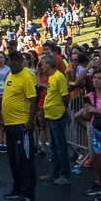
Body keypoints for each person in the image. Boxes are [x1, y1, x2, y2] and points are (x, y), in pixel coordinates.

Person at [0, 50, 39, 201]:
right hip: (10, 123)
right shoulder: (9, 75)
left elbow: (33, 99)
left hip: (21, 124)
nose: (13, 63)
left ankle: (27, 192)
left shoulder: (27, 78)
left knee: (24, 158)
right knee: (13, 158)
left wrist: (30, 121)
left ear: (22, 62)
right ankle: (17, 188)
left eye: (17, 60)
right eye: (11, 60)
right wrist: (4, 120)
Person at [38, 54, 72, 185]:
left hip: (57, 115)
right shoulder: (52, 77)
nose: (41, 66)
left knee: (60, 146)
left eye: (42, 64)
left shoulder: (59, 77)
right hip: (51, 115)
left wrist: (63, 110)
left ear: (48, 64)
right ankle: (55, 171)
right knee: (53, 145)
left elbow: (65, 96)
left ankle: (64, 174)